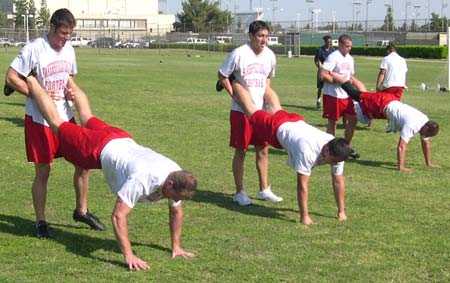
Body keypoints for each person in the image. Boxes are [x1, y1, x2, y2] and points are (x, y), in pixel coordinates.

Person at [26, 75, 198, 271]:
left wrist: (176, 246)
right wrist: (128, 254)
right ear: (169, 184)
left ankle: (66, 77)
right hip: (97, 148)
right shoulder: (144, 179)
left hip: (121, 137)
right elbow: (118, 216)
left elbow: (176, 211)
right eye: (174, 196)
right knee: (57, 123)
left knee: (87, 116)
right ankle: (31, 80)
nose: (174, 200)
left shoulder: (175, 173)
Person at [4, 8, 105, 238]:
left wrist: (69, 92)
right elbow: (10, 78)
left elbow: (68, 77)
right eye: (63, 34)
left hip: (65, 116)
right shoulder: (34, 49)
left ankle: (81, 210)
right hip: (39, 120)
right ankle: (41, 222)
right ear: (51, 28)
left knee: (83, 160)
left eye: (69, 34)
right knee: (44, 170)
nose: (66, 39)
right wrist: (36, 94)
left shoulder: (68, 50)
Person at [230, 81, 354, 224]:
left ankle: (263, 80)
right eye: (332, 161)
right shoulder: (308, 150)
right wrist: (304, 216)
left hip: (295, 121)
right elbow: (302, 186)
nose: (332, 164)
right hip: (276, 128)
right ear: (326, 149)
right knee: (251, 109)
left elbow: (338, 181)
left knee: (276, 107)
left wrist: (341, 212)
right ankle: (235, 81)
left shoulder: (337, 148)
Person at [216, 20, 283, 205]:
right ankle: (240, 192)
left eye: (267, 36)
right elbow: (222, 75)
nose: (264, 40)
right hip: (241, 112)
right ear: (251, 36)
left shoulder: (270, 55)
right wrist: (234, 95)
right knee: (241, 151)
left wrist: (267, 100)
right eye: (261, 36)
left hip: (261, 112)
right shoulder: (239, 53)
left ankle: (264, 189)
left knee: (263, 149)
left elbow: (268, 79)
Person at [325, 71, 440, 172]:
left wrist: (428, 163)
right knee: (356, 95)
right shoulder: (413, 124)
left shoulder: (425, 121)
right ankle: (337, 76)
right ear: (426, 128)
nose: (425, 136)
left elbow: (426, 143)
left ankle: (351, 78)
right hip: (382, 103)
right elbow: (401, 146)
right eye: (427, 134)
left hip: (387, 106)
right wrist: (401, 167)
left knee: (363, 97)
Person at [319, 34, 362, 158]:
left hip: (346, 96)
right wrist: (335, 80)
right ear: (341, 45)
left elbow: (350, 77)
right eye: (347, 46)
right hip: (333, 95)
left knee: (353, 120)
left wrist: (358, 88)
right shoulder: (333, 57)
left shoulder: (350, 59)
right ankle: (330, 149)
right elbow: (322, 74)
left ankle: (346, 147)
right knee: (333, 123)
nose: (349, 49)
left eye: (350, 47)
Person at [376, 43, 408, 132]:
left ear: (388, 50)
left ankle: (390, 125)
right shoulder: (402, 59)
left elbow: (382, 72)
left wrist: (378, 85)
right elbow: (404, 73)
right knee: (396, 106)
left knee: (386, 106)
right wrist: (404, 84)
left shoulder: (386, 59)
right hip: (399, 86)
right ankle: (397, 124)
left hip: (389, 85)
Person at [314, 35, 335, 109]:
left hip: (330, 72)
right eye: (328, 42)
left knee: (331, 87)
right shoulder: (320, 50)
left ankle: (330, 103)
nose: (329, 43)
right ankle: (318, 100)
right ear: (325, 42)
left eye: (330, 42)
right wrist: (319, 66)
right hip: (322, 71)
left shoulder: (333, 50)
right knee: (320, 87)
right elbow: (316, 60)